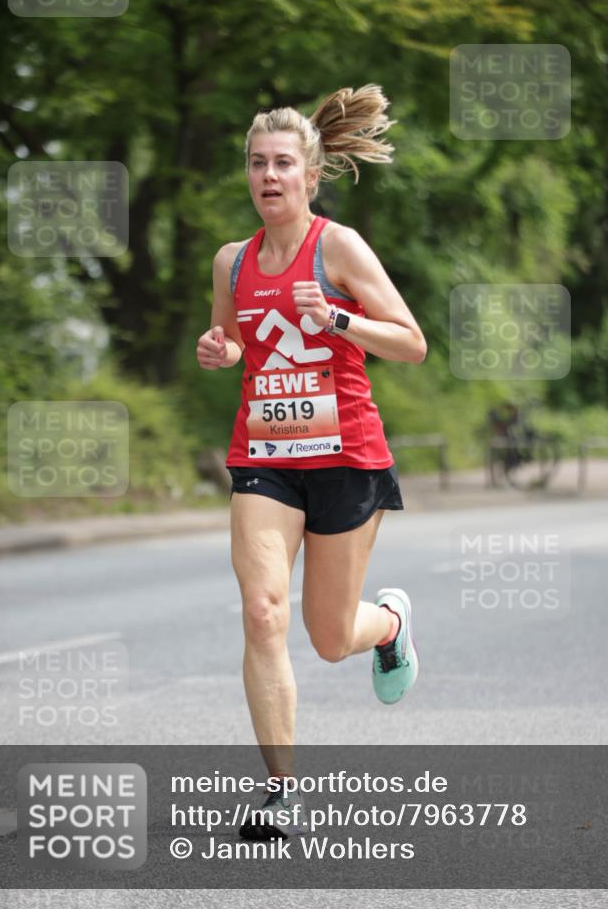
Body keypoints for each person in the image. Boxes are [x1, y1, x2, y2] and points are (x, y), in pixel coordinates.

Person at [196, 84, 427, 839]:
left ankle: (388, 625)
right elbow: (233, 341)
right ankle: (280, 793)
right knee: (263, 614)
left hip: (346, 458)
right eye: (257, 163)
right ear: (248, 173)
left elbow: (410, 341)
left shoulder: (339, 247)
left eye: (283, 164)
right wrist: (219, 348)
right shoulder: (230, 263)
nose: (269, 175)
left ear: (310, 175)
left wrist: (342, 319)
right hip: (265, 458)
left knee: (328, 637)